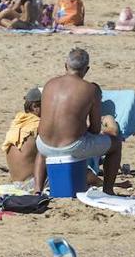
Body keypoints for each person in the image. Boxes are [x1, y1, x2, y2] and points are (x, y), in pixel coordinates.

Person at [33, 48, 122, 195]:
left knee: (43, 147)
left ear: (65, 65)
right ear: (86, 69)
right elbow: (94, 129)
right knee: (115, 144)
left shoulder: (49, 84)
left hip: (43, 145)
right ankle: (108, 189)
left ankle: (37, 190)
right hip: (71, 147)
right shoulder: (90, 89)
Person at [3, 87, 41, 183]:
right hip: (32, 183)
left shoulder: (19, 122)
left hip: (17, 182)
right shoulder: (38, 125)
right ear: (35, 107)